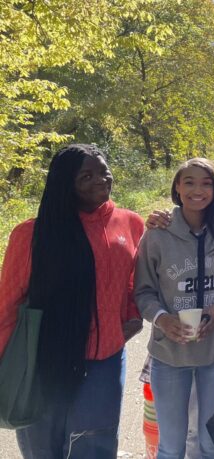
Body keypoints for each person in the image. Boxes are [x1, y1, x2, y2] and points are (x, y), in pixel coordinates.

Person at [0, 144, 144, 458]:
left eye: (104, 172)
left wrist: (131, 316)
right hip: (43, 361)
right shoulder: (33, 235)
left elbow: (136, 282)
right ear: (65, 183)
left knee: (95, 445)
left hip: (105, 361)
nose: (100, 180)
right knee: (44, 448)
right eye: (86, 176)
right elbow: (8, 304)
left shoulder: (130, 224)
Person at [135, 157, 214, 459]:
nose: (198, 190)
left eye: (206, 183)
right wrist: (161, 319)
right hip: (170, 354)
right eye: (189, 182)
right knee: (171, 446)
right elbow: (143, 292)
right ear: (177, 188)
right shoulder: (158, 234)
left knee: (212, 444)